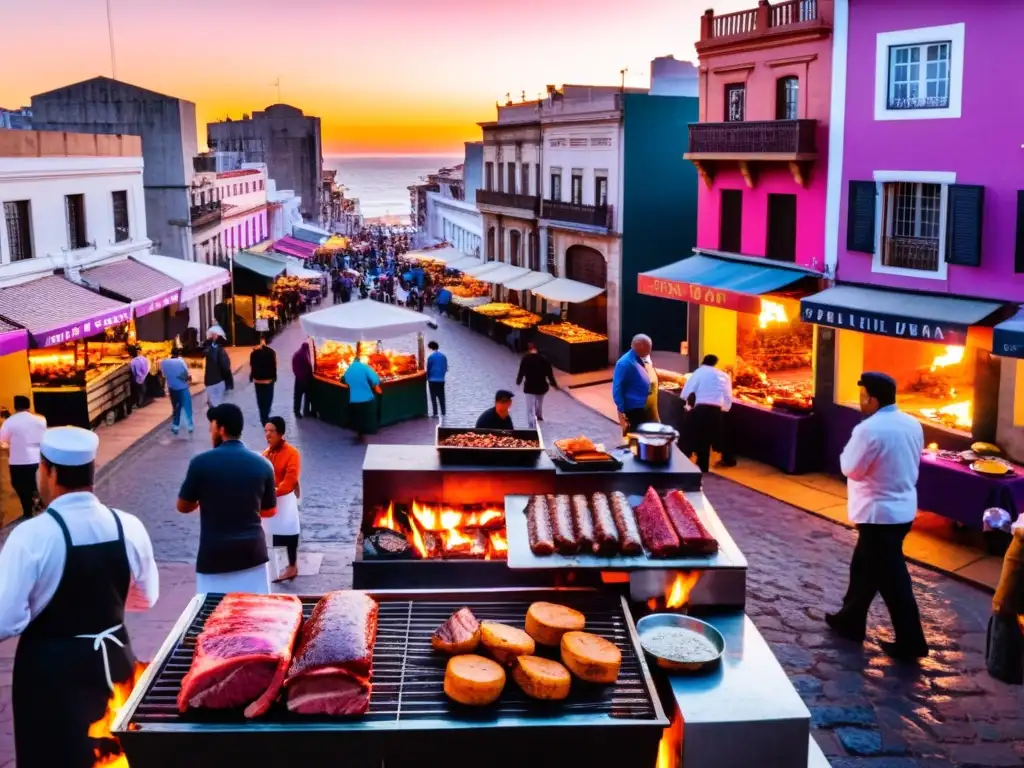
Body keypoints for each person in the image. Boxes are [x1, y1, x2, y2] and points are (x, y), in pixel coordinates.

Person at [1, 426, 159, 768]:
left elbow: (6, 619)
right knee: (114, 756)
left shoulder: (30, 536)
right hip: (115, 661)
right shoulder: (127, 525)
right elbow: (146, 598)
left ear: (48, 470)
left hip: (50, 676)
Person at [826, 372, 929, 661]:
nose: (860, 401)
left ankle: (912, 641)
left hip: (877, 514)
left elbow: (851, 468)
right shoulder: (912, 423)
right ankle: (850, 620)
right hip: (903, 509)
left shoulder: (868, 430)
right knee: (863, 568)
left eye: (862, 396)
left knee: (893, 581)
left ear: (872, 399)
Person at [176, 404, 277, 594]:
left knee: (213, 615)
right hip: (253, 554)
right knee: (255, 615)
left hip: (214, 556)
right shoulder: (263, 465)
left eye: (211, 426)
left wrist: (205, 500)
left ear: (221, 430)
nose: (209, 430)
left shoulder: (200, 463)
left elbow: (183, 506)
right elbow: (270, 510)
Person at [262, 416, 301, 582]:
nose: (268, 435)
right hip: (272, 499)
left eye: (271, 431)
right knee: (273, 532)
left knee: (290, 531)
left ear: (281, 433)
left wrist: (272, 493)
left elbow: (290, 480)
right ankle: (279, 565)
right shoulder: (266, 453)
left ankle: (292, 566)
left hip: (285, 499)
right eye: (266, 431)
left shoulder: (292, 453)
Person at [681, 354, 735, 472]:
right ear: (715, 363)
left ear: (703, 362)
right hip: (716, 410)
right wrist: (725, 409)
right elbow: (728, 395)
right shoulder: (724, 376)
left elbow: (687, 391)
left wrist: (686, 403)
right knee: (717, 437)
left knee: (699, 438)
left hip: (701, 409)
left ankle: (702, 466)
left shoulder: (698, 372)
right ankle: (727, 460)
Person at [1, 395, 47, 518]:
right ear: (29, 406)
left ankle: (28, 511)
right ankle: (40, 504)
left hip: (18, 460)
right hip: (37, 458)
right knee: (35, 483)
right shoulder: (40, 420)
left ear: (15, 407)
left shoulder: (9, 422)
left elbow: (3, 439)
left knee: (20, 486)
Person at [612, 333, 660, 435]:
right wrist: (621, 411)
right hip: (633, 408)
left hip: (643, 405)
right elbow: (617, 388)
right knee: (636, 436)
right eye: (648, 347)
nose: (650, 350)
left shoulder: (641, 359)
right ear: (640, 346)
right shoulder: (624, 363)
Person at [516, 342, 558, 428]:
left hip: (529, 386)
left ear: (529, 349)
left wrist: (518, 381)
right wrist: (554, 384)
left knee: (530, 407)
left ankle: (531, 423)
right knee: (539, 403)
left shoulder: (526, 359)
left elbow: (521, 371)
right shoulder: (544, 359)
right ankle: (539, 416)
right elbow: (549, 374)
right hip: (541, 386)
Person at [343, 352, 382, 442]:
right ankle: (372, 428)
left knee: (356, 416)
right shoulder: (364, 367)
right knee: (367, 412)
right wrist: (376, 385)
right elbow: (374, 378)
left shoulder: (349, 369)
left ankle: (358, 433)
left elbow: (344, 379)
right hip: (366, 397)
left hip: (353, 399)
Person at [159, 347, 194, 436]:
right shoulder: (180, 361)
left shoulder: (164, 362)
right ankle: (189, 425)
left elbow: (164, 375)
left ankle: (175, 425)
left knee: (176, 406)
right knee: (186, 406)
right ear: (179, 354)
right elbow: (186, 373)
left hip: (171, 387)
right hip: (182, 387)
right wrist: (188, 378)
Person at [249, 335, 277, 426]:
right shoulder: (272, 352)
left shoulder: (253, 353)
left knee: (260, 400)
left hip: (258, 380)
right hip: (268, 380)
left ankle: (263, 417)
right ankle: (266, 415)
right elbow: (274, 366)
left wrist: (252, 376)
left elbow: (252, 366)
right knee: (268, 399)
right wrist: (274, 377)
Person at [203, 325, 233, 409]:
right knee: (217, 402)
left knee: (213, 402)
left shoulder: (210, 348)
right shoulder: (217, 349)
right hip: (217, 379)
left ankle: (214, 418)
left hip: (210, 380)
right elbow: (225, 366)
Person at [426, 340, 448, 419]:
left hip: (432, 380)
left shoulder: (431, 357)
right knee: (442, 396)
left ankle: (435, 413)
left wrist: (428, 378)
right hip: (441, 380)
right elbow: (445, 368)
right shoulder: (443, 356)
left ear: (430, 348)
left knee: (433, 397)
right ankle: (443, 412)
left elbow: (428, 368)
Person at [292, 341, 315, 418]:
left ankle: (302, 411)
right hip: (302, 379)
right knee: (300, 395)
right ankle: (299, 411)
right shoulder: (302, 355)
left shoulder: (299, 354)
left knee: (302, 395)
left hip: (302, 378)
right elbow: (297, 368)